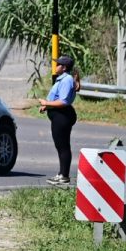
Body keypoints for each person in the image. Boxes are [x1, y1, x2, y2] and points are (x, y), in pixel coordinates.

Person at [39, 55, 78, 185]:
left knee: (63, 146)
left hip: (62, 116)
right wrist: (47, 105)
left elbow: (63, 101)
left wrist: (46, 102)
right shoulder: (62, 79)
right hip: (58, 115)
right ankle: (62, 174)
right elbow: (57, 98)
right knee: (60, 146)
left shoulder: (66, 80)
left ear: (64, 67)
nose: (55, 66)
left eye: (58, 64)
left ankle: (64, 175)